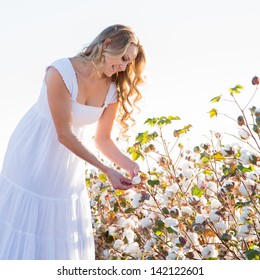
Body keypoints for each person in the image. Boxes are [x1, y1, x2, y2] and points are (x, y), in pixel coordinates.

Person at [0, 24, 146, 259]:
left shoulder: (112, 91)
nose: (124, 66)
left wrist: (128, 165)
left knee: (59, 236)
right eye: (123, 58)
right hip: (32, 155)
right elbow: (64, 133)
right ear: (107, 44)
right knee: (25, 225)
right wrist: (106, 170)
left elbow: (103, 139)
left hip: (68, 167)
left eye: (129, 63)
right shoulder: (60, 72)